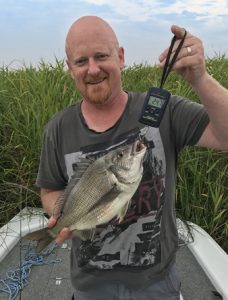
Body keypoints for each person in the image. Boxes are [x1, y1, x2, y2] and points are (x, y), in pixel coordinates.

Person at [36, 15, 228, 300]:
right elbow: (50, 189)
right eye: (81, 61)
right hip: (89, 285)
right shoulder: (58, 128)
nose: (93, 69)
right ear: (69, 68)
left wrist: (201, 79)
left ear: (121, 57)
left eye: (102, 56)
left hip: (157, 282)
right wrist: (62, 213)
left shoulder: (162, 109)